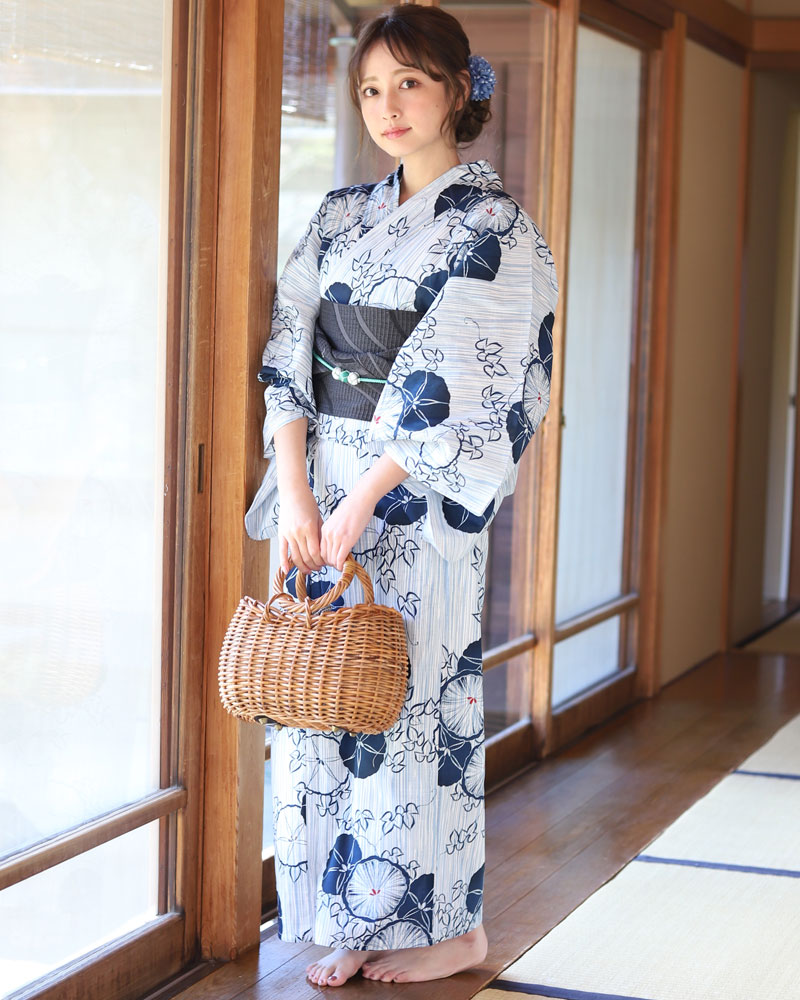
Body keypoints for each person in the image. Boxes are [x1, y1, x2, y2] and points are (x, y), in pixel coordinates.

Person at [244, 2, 558, 987]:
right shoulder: (340, 214)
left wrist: (362, 501)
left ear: (456, 90)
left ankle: (450, 929)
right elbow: (289, 345)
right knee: (321, 697)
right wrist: (300, 493)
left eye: (409, 84)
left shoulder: (494, 228)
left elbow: (461, 379)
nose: (387, 105)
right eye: (371, 88)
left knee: (412, 705)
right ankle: (353, 918)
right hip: (321, 485)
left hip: (415, 498)